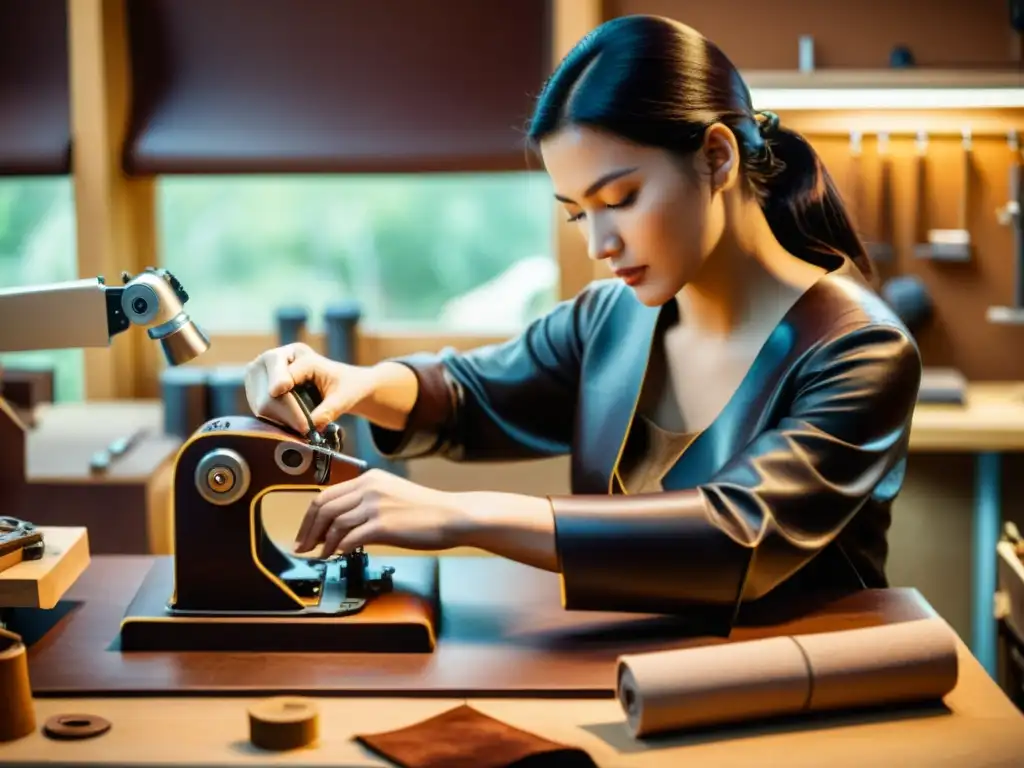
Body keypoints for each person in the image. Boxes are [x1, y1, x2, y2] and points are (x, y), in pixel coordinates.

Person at [244, 15, 921, 630]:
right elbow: (471, 393)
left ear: (718, 157)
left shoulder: (860, 349)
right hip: (636, 680)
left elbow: (734, 535)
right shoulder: (612, 318)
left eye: (620, 199)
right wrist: (354, 382)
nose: (599, 244)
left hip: (802, 694)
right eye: (576, 212)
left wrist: (463, 515)